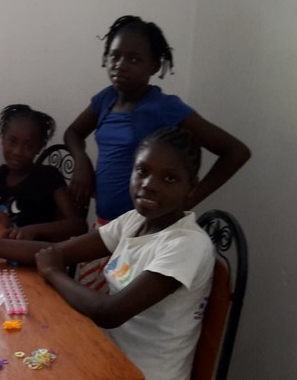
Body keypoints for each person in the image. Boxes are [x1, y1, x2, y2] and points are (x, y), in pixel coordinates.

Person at [0, 127, 214, 380]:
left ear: (191, 190)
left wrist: (53, 272)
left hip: (140, 372)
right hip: (103, 351)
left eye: (170, 179)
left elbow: (109, 313)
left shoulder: (187, 244)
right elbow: (53, 252)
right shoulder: (134, 221)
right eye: (142, 171)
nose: (150, 184)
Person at [63, 15, 250, 289]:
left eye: (134, 59)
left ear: (154, 65)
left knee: (114, 315)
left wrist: (188, 199)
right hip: (105, 229)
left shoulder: (164, 107)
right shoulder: (106, 99)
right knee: (85, 315)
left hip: (144, 236)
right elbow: (73, 133)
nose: (121, 65)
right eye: (114, 56)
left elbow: (235, 151)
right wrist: (82, 161)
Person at [0, 104, 87, 242]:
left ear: (39, 147)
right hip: (0, 248)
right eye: (12, 142)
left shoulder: (49, 177)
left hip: (34, 257)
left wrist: (34, 229)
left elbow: (78, 225)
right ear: (3, 139)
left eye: (28, 146)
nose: (17, 152)